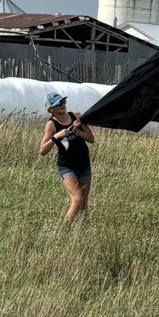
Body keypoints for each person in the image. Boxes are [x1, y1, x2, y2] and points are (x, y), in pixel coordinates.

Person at [39, 91, 95, 222]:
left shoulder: (76, 116)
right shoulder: (51, 124)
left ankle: (82, 228)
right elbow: (42, 150)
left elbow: (91, 139)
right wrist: (56, 137)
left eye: (63, 101)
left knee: (83, 203)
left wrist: (78, 130)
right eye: (58, 103)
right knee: (77, 198)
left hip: (84, 165)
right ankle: (65, 228)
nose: (62, 104)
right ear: (51, 109)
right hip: (66, 167)